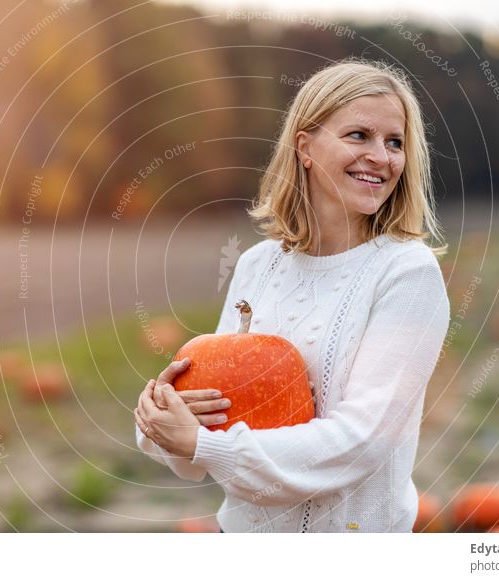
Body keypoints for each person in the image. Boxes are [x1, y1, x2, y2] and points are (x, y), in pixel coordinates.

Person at [134, 57, 450, 533]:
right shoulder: (258, 265)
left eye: (395, 142)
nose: (382, 158)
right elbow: (214, 420)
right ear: (305, 146)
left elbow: (361, 441)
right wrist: (164, 419)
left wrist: (205, 446)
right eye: (359, 135)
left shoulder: (406, 272)